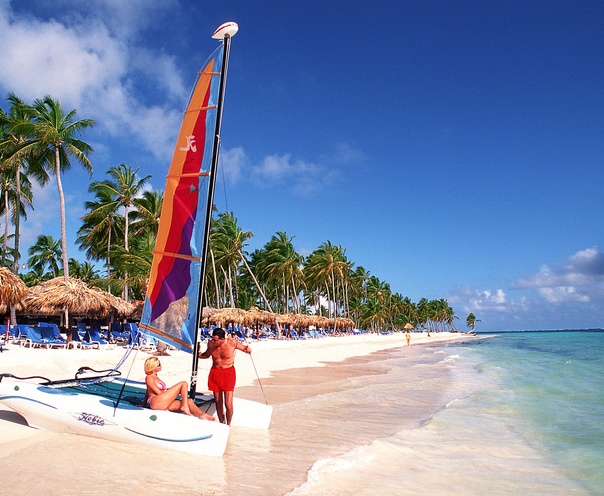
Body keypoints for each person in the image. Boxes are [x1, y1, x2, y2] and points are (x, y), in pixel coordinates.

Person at [198, 327, 251, 425]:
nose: (213, 341)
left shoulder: (232, 343)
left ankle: (228, 424)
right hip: (215, 372)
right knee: (218, 403)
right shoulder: (210, 344)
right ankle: (222, 423)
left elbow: (244, 348)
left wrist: (248, 349)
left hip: (228, 373)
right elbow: (207, 354)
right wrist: (199, 355)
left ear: (222, 339)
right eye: (212, 339)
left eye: (215, 340)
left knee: (228, 404)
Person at [143, 356, 214, 420]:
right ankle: (184, 406)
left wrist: (143, 404)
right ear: (153, 366)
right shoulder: (149, 377)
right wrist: (174, 394)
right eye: (158, 364)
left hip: (162, 402)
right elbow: (158, 392)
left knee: (189, 401)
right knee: (183, 384)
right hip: (156, 402)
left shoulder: (156, 377)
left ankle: (202, 415)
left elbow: (148, 391)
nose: (160, 366)